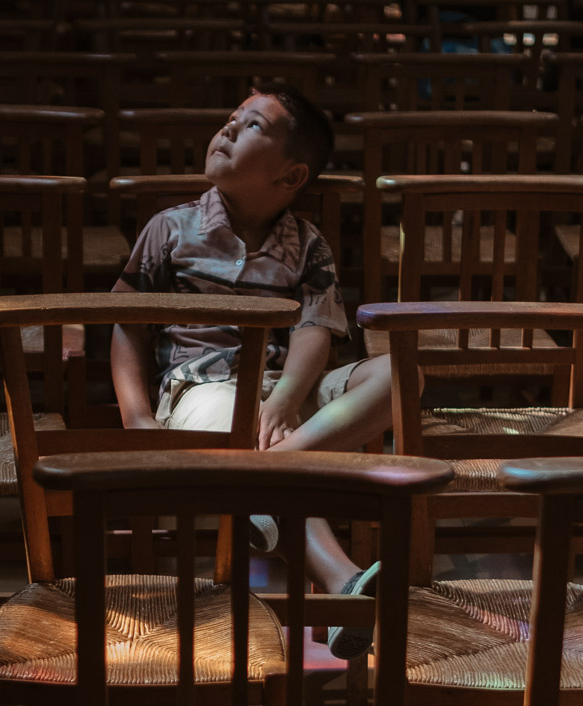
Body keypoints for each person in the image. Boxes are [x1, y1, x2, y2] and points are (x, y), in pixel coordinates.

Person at [110, 88, 392, 658]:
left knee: (398, 375)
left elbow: (315, 329)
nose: (229, 128)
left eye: (252, 125)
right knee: (230, 418)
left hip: (290, 396)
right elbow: (126, 326)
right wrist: (139, 418)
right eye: (230, 119)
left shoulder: (306, 245)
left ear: (290, 176)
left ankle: (259, 477)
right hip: (204, 392)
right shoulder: (171, 229)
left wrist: (286, 399)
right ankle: (343, 580)